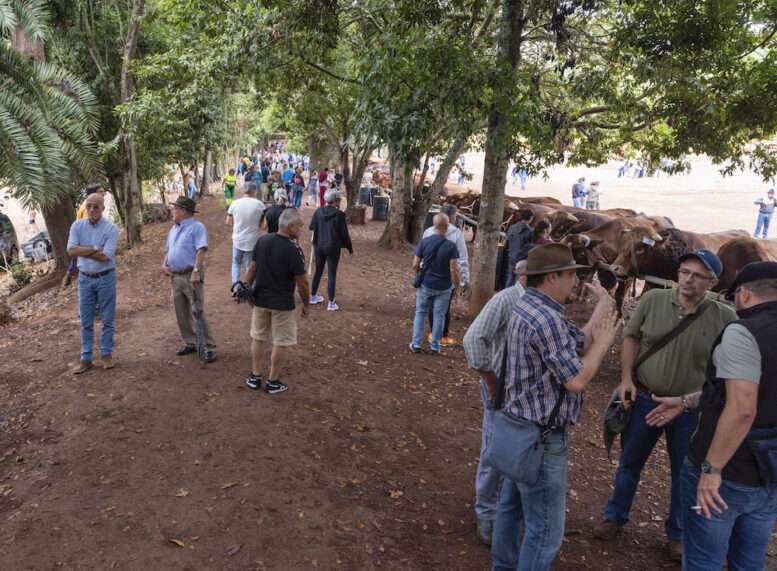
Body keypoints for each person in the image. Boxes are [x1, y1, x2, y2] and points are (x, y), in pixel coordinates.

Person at [592, 250, 737, 562]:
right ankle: (615, 516)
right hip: (645, 399)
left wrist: (691, 400)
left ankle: (677, 533)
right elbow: (630, 338)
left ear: (713, 281)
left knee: (683, 473)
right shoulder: (653, 300)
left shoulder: (725, 317)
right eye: (684, 271)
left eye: (698, 275)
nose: (687, 279)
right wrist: (627, 379)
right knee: (630, 462)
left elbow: (728, 368)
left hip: (690, 411)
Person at [491, 243, 618, 570]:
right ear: (551, 277)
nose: (576, 282)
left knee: (510, 509)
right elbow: (576, 379)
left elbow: (578, 341)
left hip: (517, 429)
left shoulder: (530, 307)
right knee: (546, 531)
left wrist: (603, 305)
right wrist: (604, 345)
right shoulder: (546, 318)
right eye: (571, 275)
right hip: (541, 441)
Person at [673, 262, 777, 569]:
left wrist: (711, 469)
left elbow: (743, 408)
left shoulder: (744, 332)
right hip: (770, 475)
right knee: (749, 562)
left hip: (729, 476)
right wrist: (686, 402)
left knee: (704, 560)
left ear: (744, 294)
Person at [462, 259, 527, 546]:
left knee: (515, 453)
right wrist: (490, 380)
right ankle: (486, 513)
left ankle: (504, 509)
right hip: (500, 392)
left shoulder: (540, 305)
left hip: (523, 395)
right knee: (493, 452)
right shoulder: (506, 300)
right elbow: (473, 339)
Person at [245, 208, 310, 394]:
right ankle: (272, 381)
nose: (301, 230)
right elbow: (302, 283)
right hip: (282, 303)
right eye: (300, 227)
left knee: (258, 337)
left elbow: (251, 270)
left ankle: (255, 375)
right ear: (290, 227)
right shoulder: (294, 250)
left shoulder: (262, 241)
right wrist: (306, 304)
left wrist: (249, 293)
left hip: (260, 299)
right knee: (280, 341)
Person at [67, 191, 120, 374]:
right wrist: (96, 248)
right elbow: (71, 251)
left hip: (105, 278)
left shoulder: (111, 229)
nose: (91, 209)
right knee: (86, 320)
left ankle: (106, 354)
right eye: (88, 206)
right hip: (85, 279)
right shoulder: (77, 226)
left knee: (107, 319)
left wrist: (84, 250)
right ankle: (86, 358)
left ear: (103, 208)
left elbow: (107, 257)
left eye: (95, 206)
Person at [161, 196, 216, 362]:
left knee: (197, 310)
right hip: (175, 276)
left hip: (190, 275)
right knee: (181, 312)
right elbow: (169, 250)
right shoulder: (173, 228)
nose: (172, 212)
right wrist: (164, 264)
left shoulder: (197, 227)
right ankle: (191, 343)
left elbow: (201, 250)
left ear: (184, 211)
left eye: (175, 209)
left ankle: (209, 347)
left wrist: (196, 271)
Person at [409, 214, 460, 355]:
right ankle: (435, 346)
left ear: (433, 226)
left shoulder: (425, 242)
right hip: (444, 287)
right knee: (439, 315)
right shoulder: (451, 246)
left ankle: (416, 344)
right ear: (446, 226)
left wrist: (418, 276)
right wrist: (457, 287)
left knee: (420, 313)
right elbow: (454, 270)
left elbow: (415, 264)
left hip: (426, 284)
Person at [421, 204, 469, 346]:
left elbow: (421, 256)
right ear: (453, 219)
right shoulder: (456, 234)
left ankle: (432, 333)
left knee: (431, 305)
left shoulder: (428, 231)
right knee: (444, 307)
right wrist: (463, 280)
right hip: (446, 276)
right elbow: (462, 259)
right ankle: (442, 335)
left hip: (428, 275)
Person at [309, 189, 353, 311]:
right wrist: (350, 249)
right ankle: (331, 303)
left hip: (319, 245)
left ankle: (312, 296)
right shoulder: (339, 215)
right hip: (332, 247)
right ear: (335, 201)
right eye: (339, 200)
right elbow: (344, 234)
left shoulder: (318, 211)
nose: (340, 201)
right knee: (332, 273)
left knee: (318, 270)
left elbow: (311, 226)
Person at [226, 181, 265, 285]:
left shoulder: (234, 203)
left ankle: (235, 287)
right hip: (252, 240)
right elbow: (264, 226)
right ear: (254, 191)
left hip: (237, 238)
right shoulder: (259, 204)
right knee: (250, 264)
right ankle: (249, 287)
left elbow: (228, 222)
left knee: (236, 263)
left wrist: (238, 225)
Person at [502, 209, 534, 288]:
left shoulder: (512, 227)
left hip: (511, 256)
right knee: (518, 279)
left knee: (510, 277)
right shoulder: (530, 231)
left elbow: (506, 243)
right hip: (522, 259)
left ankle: (505, 293)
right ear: (531, 218)